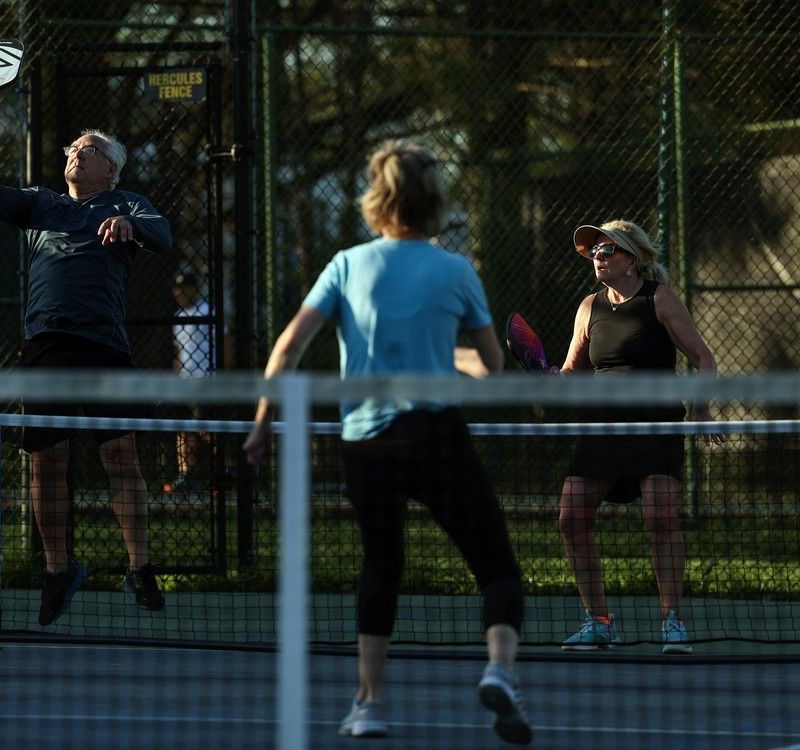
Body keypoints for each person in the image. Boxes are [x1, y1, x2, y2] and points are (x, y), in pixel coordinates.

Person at [243, 140, 532, 745]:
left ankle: (370, 704)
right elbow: (492, 365)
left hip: (367, 444)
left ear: (377, 197)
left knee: (382, 566)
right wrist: (451, 359)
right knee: (498, 568)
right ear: (435, 202)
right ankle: (500, 671)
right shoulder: (456, 269)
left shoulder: (346, 264)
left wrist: (264, 420)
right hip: (437, 437)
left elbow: (289, 348)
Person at [0, 90, 173, 626]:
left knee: (120, 459)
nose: (78, 152)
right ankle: (59, 569)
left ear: (112, 170)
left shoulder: (127, 203)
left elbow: (165, 236)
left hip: (104, 346)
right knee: (46, 464)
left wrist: (134, 227)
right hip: (46, 346)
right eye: (74, 148)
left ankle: (139, 568)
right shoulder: (41, 203)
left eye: (92, 148)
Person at [556, 219, 722, 654]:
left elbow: (704, 357)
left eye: (608, 250)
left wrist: (702, 410)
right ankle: (600, 621)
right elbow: (572, 372)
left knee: (662, 521)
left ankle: (672, 621)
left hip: (655, 424)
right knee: (571, 520)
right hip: (602, 427)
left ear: (632, 258)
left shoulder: (659, 299)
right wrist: (553, 379)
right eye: (594, 251)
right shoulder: (588, 306)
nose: (599, 256)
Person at [169, 262, 214, 493]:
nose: (180, 292)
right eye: (177, 288)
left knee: (205, 427)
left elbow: (225, 342)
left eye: (185, 287)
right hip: (185, 381)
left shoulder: (207, 311)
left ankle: (222, 471)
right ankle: (185, 475)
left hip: (204, 379)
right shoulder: (178, 316)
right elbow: (179, 353)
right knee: (182, 427)